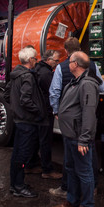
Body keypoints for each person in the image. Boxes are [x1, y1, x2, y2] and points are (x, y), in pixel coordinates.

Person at [48, 37, 104, 198]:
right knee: (89, 152)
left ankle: (68, 189)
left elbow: (54, 92)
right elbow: (102, 86)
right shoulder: (92, 65)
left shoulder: (61, 67)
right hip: (87, 117)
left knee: (71, 156)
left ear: (66, 51)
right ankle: (92, 187)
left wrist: (57, 111)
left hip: (72, 120)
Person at [8, 46, 46, 198]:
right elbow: (26, 100)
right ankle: (19, 186)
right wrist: (38, 111)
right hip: (27, 121)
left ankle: (15, 184)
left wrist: (15, 107)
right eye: (35, 59)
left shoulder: (15, 74)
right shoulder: (28, 76)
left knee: (17, 154)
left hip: (19, 119)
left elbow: (7, 94)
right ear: (31, 60)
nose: (36, 61)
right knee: (23, 155)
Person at [25, 49, 62, 179]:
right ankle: (47, 169)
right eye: (56, 61)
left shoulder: (38, 69)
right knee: (46, 140)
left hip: (37, 110)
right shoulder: (46, 74)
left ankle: (30, 164)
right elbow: (53, 92)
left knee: (35, 138)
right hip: (45, 110)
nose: (58, 63)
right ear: (48, 60)